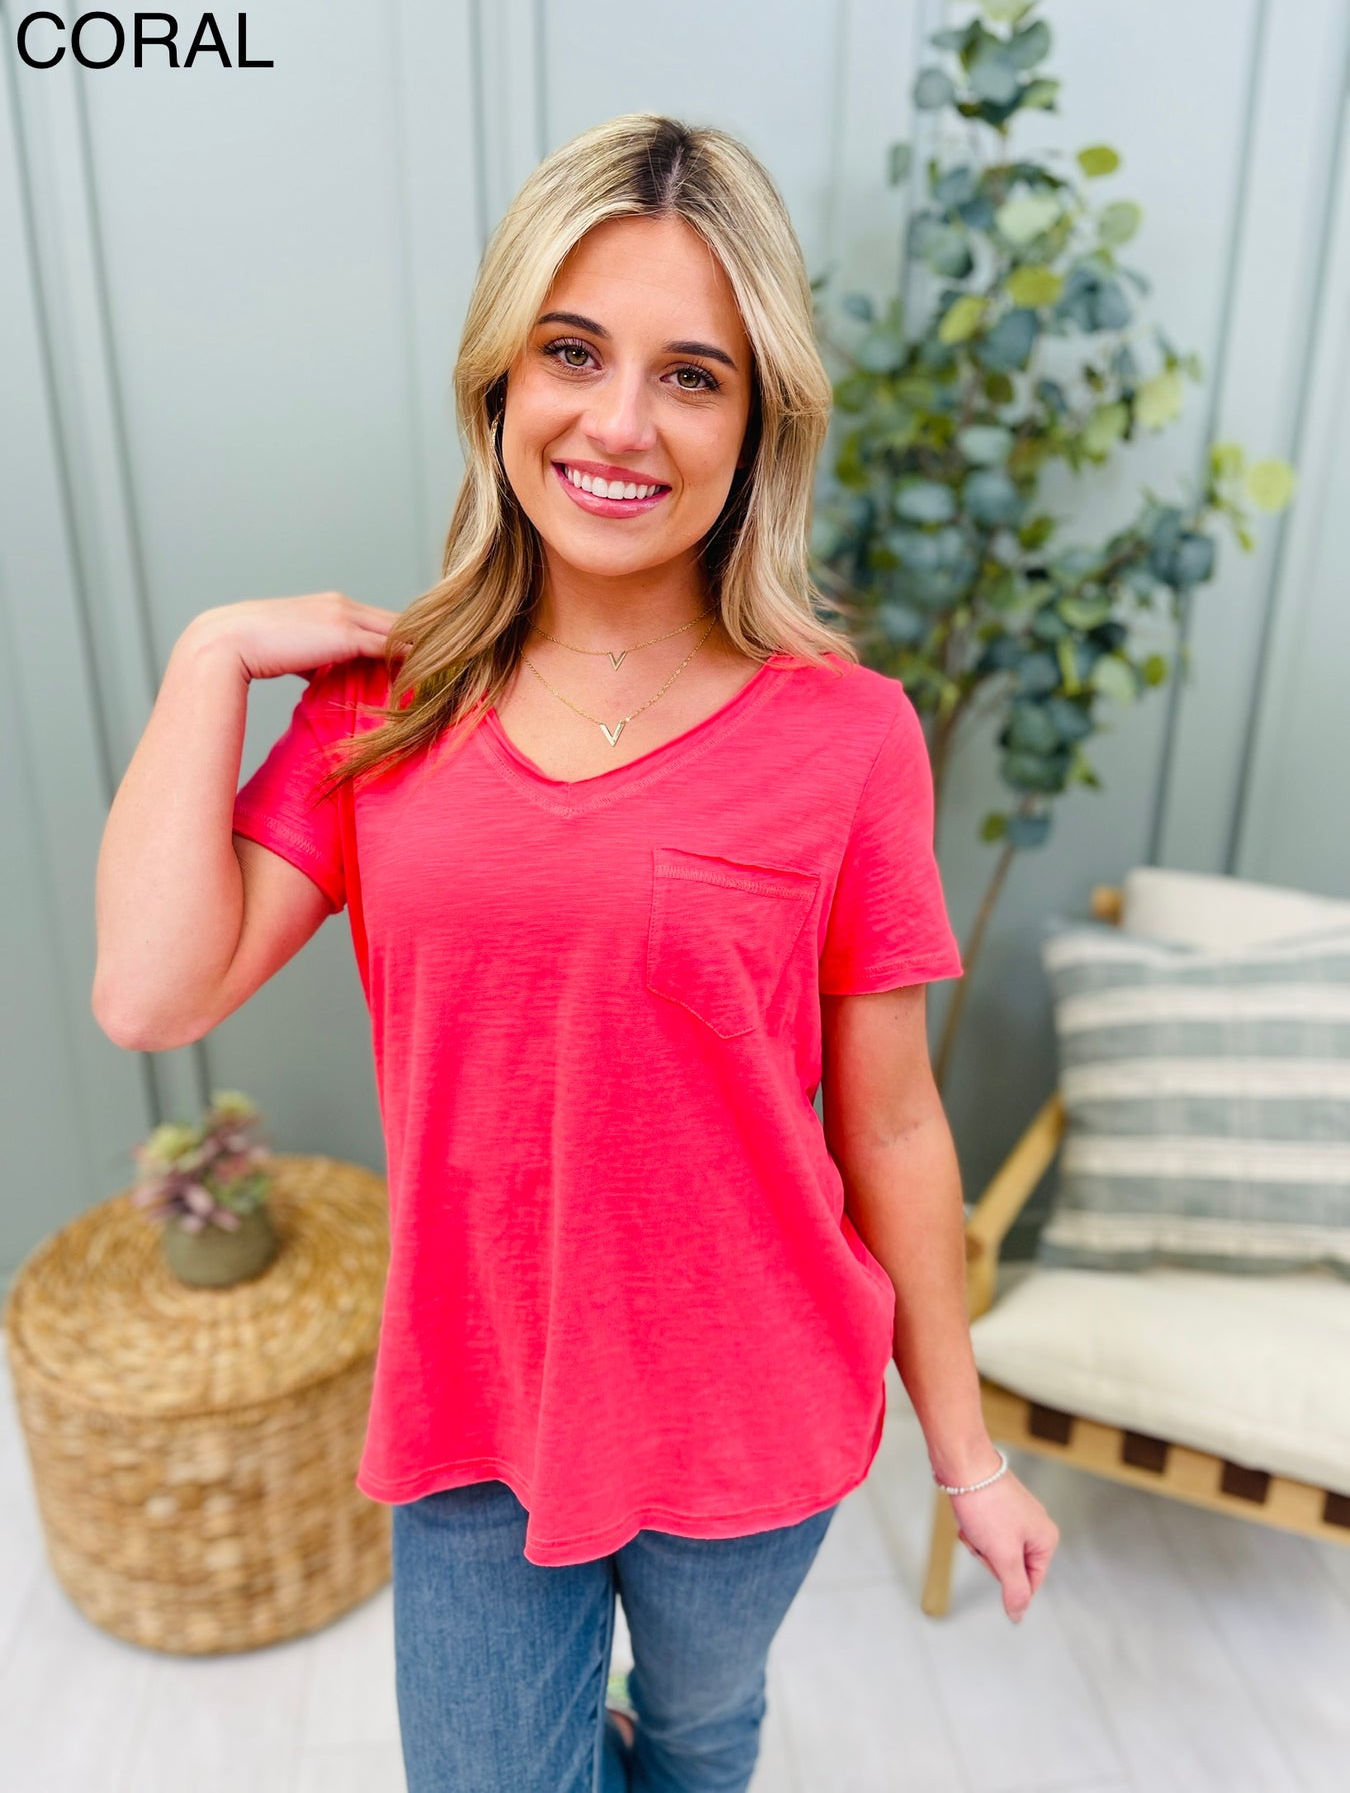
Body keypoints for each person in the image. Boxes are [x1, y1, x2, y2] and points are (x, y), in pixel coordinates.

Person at [93, 112, 1059, 1793]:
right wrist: (210, 658)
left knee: (695, 1734)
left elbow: (892, 1121)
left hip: (752, 1410)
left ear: (757, 422)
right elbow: (149, 993)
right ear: (499, 382)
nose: (619, 424)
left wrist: (965, 1455)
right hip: (477, 1411)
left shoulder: (846, 737)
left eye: (691, 375)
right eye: (571, 352)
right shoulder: (386, 709)